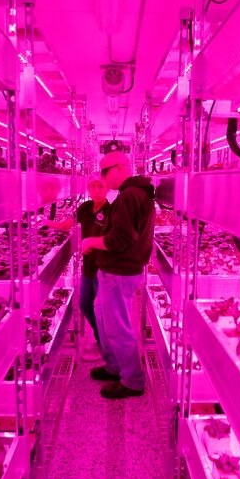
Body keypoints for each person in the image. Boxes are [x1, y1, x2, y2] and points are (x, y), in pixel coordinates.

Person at [81, 151, 156, 399]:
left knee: (117, 327)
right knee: (103, 318)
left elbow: (120, 239)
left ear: (122, 167)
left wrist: (91, 240)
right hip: (114, 270)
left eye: (105, 171)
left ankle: (132, 380)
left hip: (118, 271)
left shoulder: (130, 196)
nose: (103, 177)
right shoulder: (133, 194)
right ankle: (114, 366)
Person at [43, 178, 111, 361]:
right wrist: (46, 222)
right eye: (93, 187)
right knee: (85, 304)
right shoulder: (85, 208)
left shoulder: (112, 211)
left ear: (107, 189)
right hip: (88, 265)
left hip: (104, 267)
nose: (96, 190)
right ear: (88, 189)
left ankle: (105, 348)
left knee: (102, 309)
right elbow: (67, 224)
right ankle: (101, 338)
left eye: (100, 187)